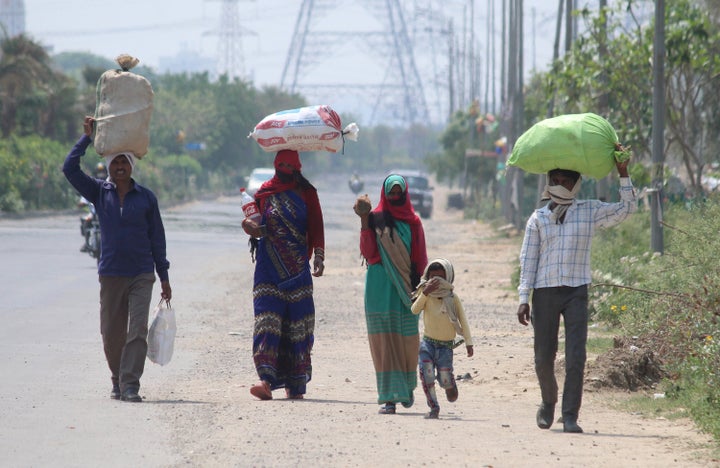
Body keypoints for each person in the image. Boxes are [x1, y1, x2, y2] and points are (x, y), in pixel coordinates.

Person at [516, 159, 637, 433]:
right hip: (545, 292)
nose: (561, 185)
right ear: (549, 182)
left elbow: (627, 209)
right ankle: (548, 402)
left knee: (576, 356)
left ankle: (570, 415)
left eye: (567, 181)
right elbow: (528, 260)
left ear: (576, 184)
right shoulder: (538, 218)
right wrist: (524, 298)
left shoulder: (590, 211)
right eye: (556, 180)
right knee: (543, 357)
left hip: (576, 292)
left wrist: (623, 172)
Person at [62, 116, 172, 403]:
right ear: (109, 166)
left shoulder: (146, 198)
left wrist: (164, 276)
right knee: (111, 333)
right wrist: (87, 138)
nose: (120, 167)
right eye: (116, 163)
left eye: (125, 162)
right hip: (111, 273)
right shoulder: (99, 192)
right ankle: (117, 377)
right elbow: (69, 169)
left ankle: (131, 384)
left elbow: (157, 239)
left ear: (132, 166)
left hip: (141, 273)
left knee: (137, 330)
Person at [241, 149, 325, 400]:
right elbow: (256, 225)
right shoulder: (265, 193)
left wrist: (319, 256)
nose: (286, 168)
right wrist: (250, 228)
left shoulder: (308, 193)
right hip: (268, 269)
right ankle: (265, 380)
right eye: (282, 164)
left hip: (299, 270)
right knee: (267, 321)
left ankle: (296, 383)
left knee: (298, 326)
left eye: (290, 164)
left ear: (297, 166)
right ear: (276, 165)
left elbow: (317, 227)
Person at [355, 174, 428, 414]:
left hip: (407, 289)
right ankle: (388, 397)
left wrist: (422, 288)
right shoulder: (375, 219)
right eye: (391, 193)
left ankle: (405, 389)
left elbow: (420, 259)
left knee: (407, 339)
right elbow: (369, 254)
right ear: (385, 194)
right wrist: (365, 221)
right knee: (384, 342)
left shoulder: (414, 223)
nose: (395, 196)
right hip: (379, 285)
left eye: (398, 192)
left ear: (404, 194)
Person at [411, 258, 474, 419]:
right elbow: (414, 309)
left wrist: (469, 343)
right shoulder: (425, 294)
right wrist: (425, 293)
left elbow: (463, 321)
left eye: (440, 277)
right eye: (433, 277)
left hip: (446, 347)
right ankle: (434, 407)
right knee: (427, 374)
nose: (436, 281)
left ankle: (449, 385)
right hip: (428, 344)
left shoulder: (453, 298)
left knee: (444, 377)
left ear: (448, 278)